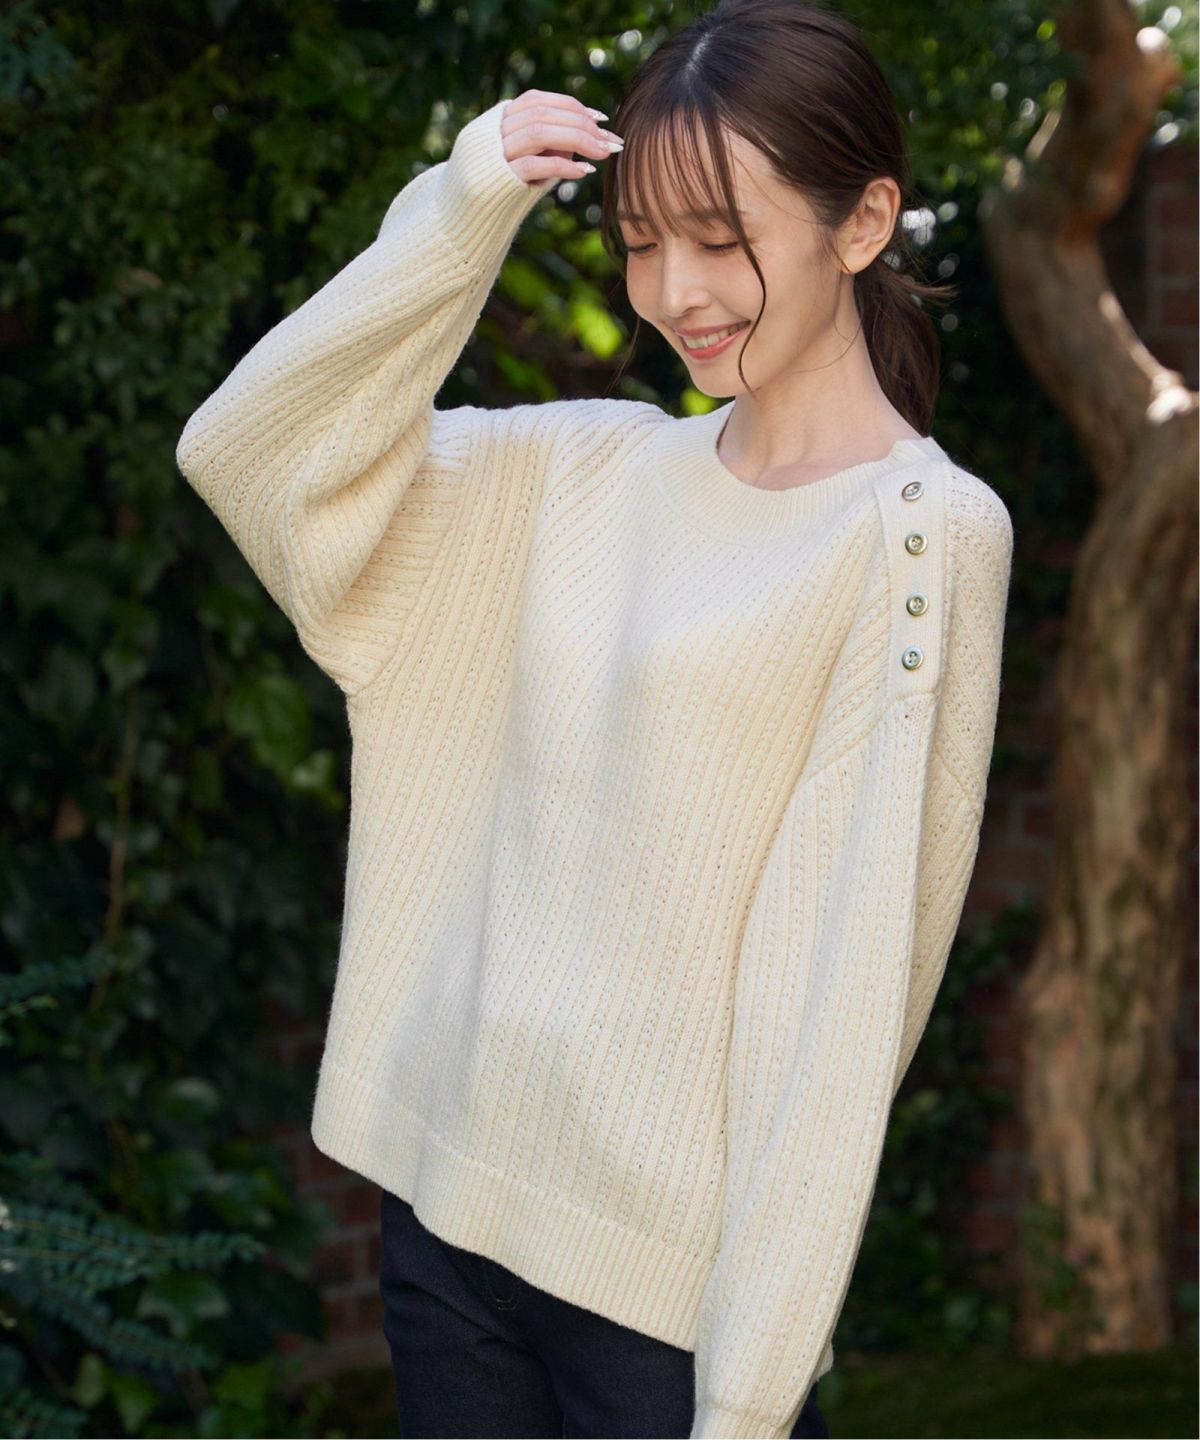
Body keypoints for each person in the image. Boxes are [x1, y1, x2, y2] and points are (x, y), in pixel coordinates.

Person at [174, 1, 1014, 1435]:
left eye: (721, 238)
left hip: (663, 1308)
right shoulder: (581, 471)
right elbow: (250, 454)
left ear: (865, 222)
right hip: (447, 1226)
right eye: (638, 241)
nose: (675, 291)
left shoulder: (921, 538)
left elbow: (848, 988)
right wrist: (462, 211)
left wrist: (749, 1390)